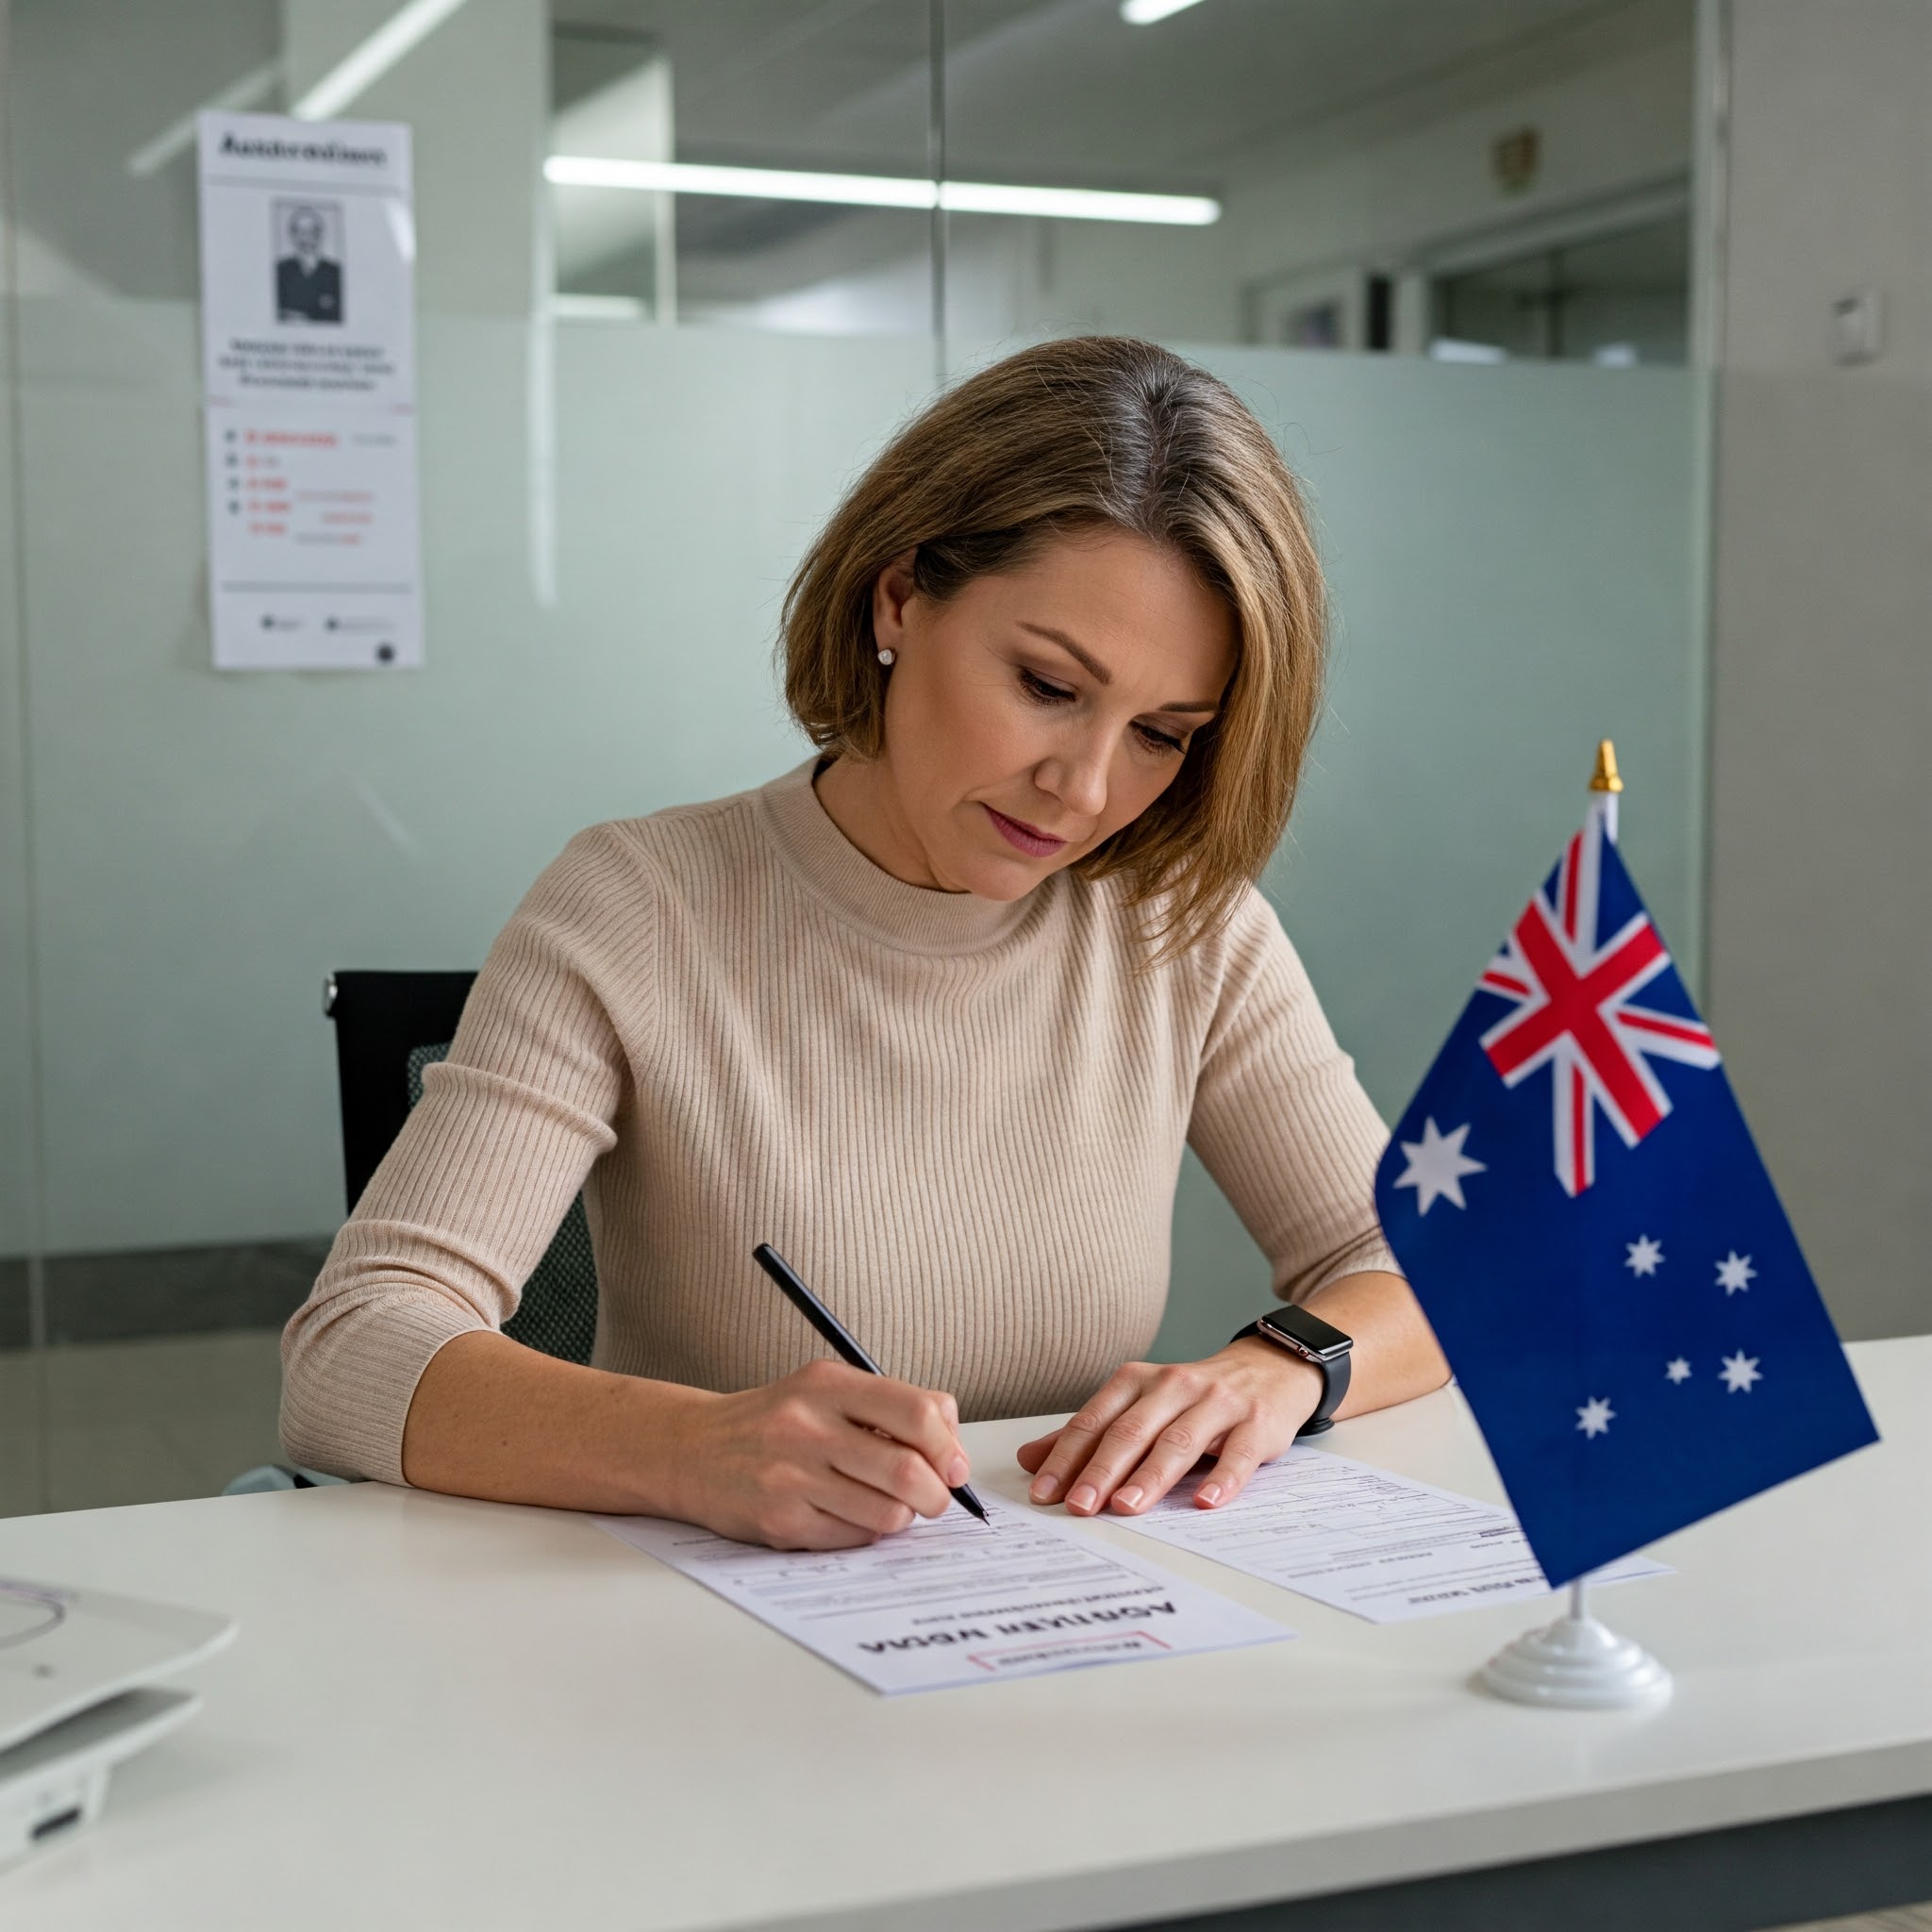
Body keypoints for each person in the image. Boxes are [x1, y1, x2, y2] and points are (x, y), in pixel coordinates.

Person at [281, 336, 1449, 1549]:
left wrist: (1281, 1365)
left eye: (1160, 731)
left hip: (1057, 1620)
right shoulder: (637, 902)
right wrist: (693, 1445)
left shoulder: (1180, 928)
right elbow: (354, 1345)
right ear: (898, 599)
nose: (1084, 787)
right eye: (1047, 685)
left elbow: (1426, 1269)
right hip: (721, 1636)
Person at [276, 206, 341, 324]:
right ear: (293, 236)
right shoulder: (280, 270)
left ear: (320, 235)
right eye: (301, 232)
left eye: (312, 232)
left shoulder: (335, 272)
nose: (307, 239)